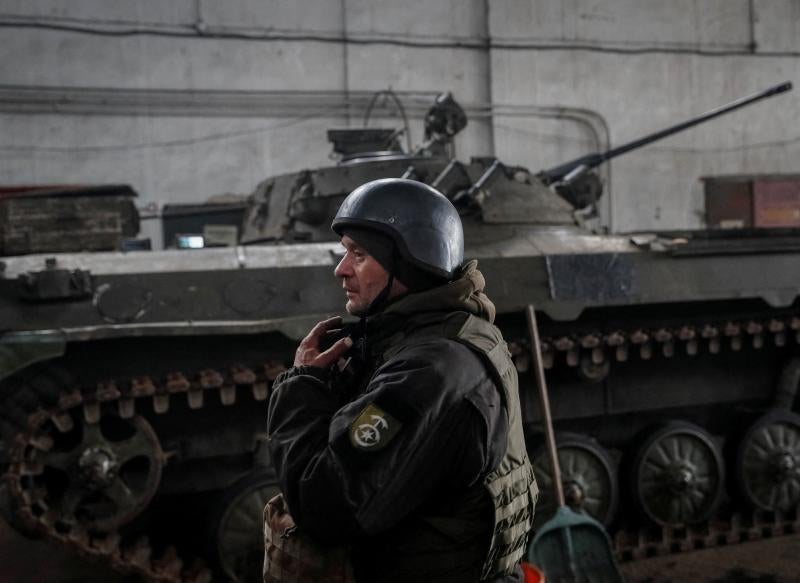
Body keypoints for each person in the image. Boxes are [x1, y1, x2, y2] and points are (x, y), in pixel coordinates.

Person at [265, 178, 538, 583]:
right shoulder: (459, 329)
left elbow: (323, 504)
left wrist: (302, 386)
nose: (340, 270)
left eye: (359, 255)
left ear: (411, 262)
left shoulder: (427, 371)